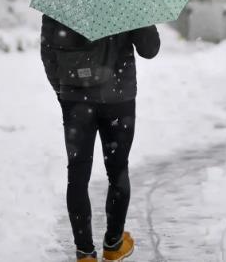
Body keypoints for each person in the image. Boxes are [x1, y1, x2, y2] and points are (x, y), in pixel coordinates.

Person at [40, 14, 160, 262]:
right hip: (119, 98)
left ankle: (85, 253)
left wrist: (63, 90)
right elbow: (149, 49)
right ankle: (114, 244)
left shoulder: (61, 0)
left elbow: (48, 53)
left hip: (75, 99)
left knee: (77, 174)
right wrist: (142, 16)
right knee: (118, 171)